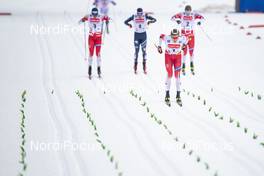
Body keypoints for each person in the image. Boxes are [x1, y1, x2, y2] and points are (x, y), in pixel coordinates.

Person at [157, 29, 188, 106]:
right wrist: (159, 46)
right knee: (170, 74)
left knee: (177, 76)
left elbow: (187, 38)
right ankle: (167, 95)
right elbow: (161, 36)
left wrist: (184, 45)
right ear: (171, 35)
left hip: (177, 57)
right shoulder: (167, 38)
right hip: (168, 57)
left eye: (176, 37)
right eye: (173, 37)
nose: (174, 39)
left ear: (178, 36)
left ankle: (178, 95)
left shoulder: (181, 38)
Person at [171, 5, 204, 75]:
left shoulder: (193, 14)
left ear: (191, 11)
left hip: (191, 36)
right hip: (183, 36)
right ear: (185, 10)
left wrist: (199, 21)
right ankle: (183, 66)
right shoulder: (182, 14)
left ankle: (192, 66)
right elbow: (172, 18)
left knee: (191, 52)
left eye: (189, 12)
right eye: (187, 12)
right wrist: (177, 20)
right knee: (184, 52)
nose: (188, 13)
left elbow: (202, 18)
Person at [79, 7, 110, 79]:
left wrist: (107, 20)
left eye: (96, 14)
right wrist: (82, 20)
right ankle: (89, 68)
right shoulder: (89, 16)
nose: (95, 15)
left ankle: (99, 68)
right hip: (91, 38)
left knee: (98, 54)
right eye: (94, 14)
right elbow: (80, 21)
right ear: (92, 13)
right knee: (91, 53)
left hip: (98, 38)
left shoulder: (101, 16)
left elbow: (107, 17)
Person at [124, 8, 156, 74]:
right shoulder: (134, 16)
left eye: (141, 13)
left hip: (143, 35)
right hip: (136, 35)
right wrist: (129, 25)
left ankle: (144, 66)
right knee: (136, 51)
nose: (139, 15)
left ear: (142, 12)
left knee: (144, 51)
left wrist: (150, 22)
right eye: (138, 14)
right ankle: (135, 65)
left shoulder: (145, 16)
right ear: (137, 13)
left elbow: (155, 20)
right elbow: (125, 21)